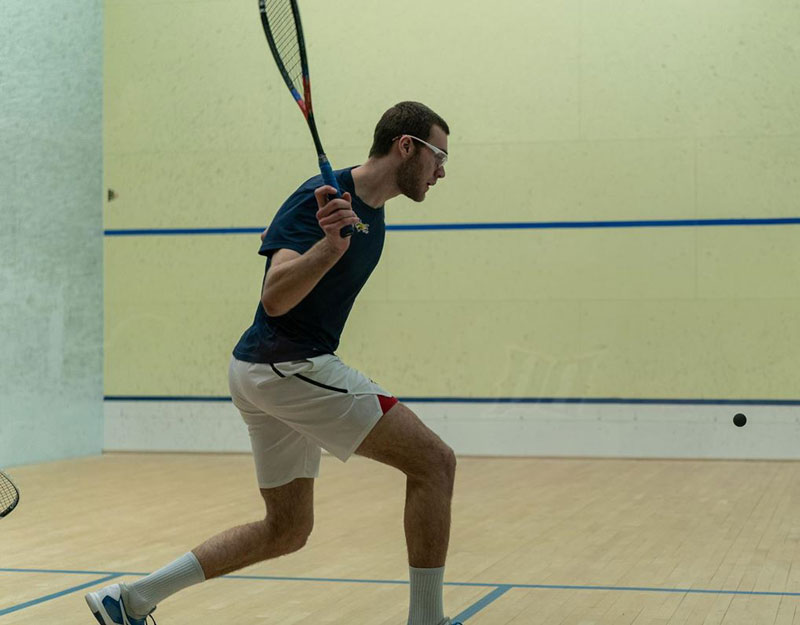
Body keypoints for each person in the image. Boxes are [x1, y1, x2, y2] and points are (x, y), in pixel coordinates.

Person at [85, 101, 461, 625]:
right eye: (438, 156)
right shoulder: (319, 197)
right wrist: (328, 250)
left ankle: (129, 599)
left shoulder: (372, 215)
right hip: (287, 366)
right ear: (406, 146)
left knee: (287, 530)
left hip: (270, 372)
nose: (442, 171)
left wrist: (336, 246)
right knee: (434, 462)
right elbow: (275, 298)